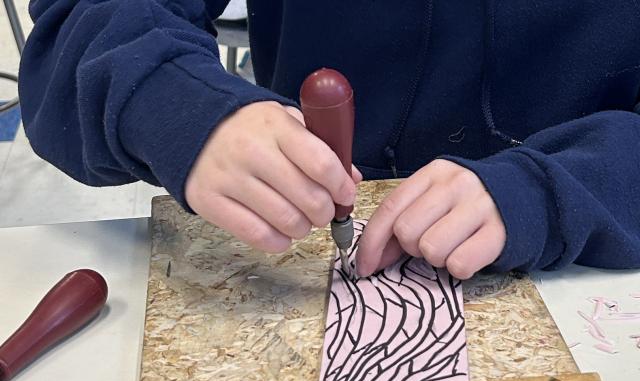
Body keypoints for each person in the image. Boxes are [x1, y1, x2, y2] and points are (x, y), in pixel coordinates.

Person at [18, 1, 640, 279]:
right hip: (300, 246)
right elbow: (80, 21)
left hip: (590, 269)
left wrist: (551, 191)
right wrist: (183, 108)